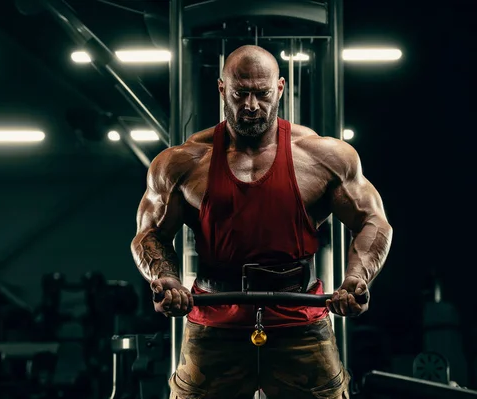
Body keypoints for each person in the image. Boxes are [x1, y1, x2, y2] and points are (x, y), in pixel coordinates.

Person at [130, 44, 393, 399]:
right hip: (214, 321)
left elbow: (372, 220)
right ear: (223, 89)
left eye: (262, 93)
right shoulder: (182, 163)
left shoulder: (323, 156)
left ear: (280, 89)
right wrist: (165, 279)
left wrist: (357, 279)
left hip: (299, 320)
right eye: (240, 93)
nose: (251, 105)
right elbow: (150, 234)